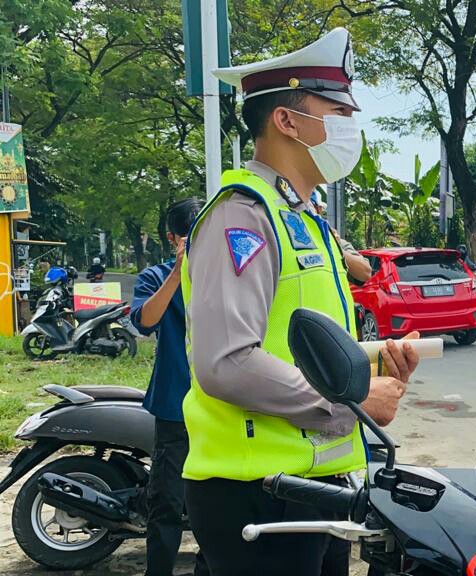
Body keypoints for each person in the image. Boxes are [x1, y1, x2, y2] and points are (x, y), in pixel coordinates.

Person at [182, 28, 421, 576]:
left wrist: (369, 358)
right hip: (256, 493)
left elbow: (294, 342)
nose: (350, 125)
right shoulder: (242, 215)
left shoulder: (303, 218)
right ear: (287, 121)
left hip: (310, 487)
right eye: (337, 109)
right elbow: (226, 360)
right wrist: (350, 401)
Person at [130, 198, 210, 576]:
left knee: (217, 507)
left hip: (223, 408)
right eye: (191, 236)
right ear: (171, 238)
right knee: (165, 505)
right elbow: (145, 321)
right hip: (175, 407)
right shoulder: (156, 276)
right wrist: (177, 274)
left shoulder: (227, 276)